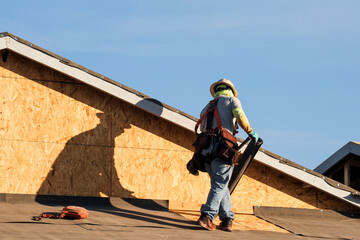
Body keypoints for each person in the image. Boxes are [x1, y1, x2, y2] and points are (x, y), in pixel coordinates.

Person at [197, 79, 258, 232]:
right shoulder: (232, 100)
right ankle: (207, 216)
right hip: (222, 149)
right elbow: (239, 115)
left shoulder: (206, 107)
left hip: (205, 152)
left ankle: (226, 219)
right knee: (220, 183)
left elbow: (202, 128)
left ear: (217, 90)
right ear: (230, 90)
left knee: (220, 184)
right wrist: (251, 133)